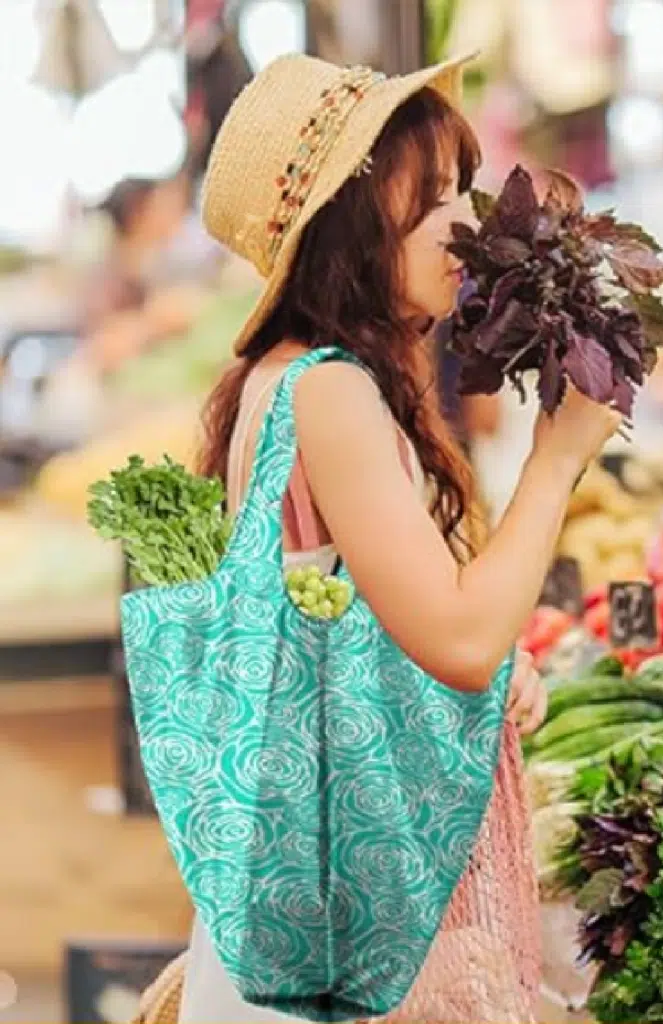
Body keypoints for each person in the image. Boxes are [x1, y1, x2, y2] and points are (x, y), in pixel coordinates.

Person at [177, 54, 620, 1024]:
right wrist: (556, 457)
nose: (467, 222)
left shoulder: (289, 379)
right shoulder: (328, 392)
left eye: (463, 184)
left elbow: (367, 626)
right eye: (432, 200)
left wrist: (494, 659)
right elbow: (456, 642)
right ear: (349, 224)